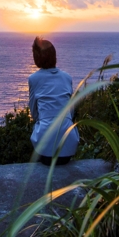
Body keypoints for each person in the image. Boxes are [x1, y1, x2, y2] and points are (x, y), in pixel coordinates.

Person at [28, 36, 79, 166]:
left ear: (37, 58)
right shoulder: (67, 77)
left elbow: (34, 112)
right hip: (68, 145)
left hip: (45, 150)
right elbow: (71, 111)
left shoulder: (34, 79)